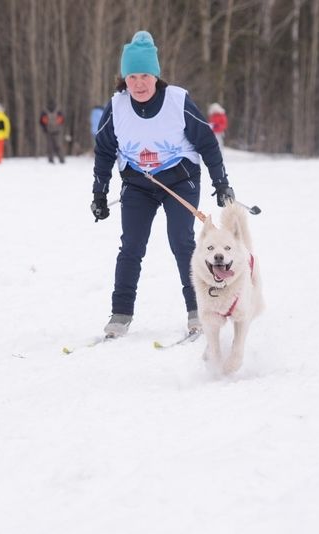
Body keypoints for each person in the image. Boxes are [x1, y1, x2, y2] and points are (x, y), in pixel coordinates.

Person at [90, 30, 234, 338]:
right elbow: (104, 151)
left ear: (156, 75)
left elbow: (207, 142)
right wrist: (99, 194)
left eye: (145, 75)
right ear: (123, 78)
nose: (139, 84)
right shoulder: (116, 107)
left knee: (182, 241)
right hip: (139, 183)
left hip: (179, 180)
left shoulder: (177, 101)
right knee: (131, 246)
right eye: (132, 77)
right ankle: (121, 314)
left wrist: (221, 183)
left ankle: (198, 310)